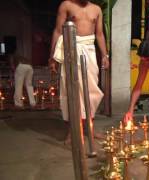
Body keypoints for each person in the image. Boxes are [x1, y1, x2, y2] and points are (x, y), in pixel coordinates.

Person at [49, 0, 109, 143]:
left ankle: (90, 128)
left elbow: (99, 34)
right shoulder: (66, 5)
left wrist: (105, 55)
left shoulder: (97, 9)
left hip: (89, 50)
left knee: (91, 90)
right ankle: (73, 130)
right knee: (71, 89)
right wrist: (52, 57)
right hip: (70, 48)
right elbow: (58, 30)